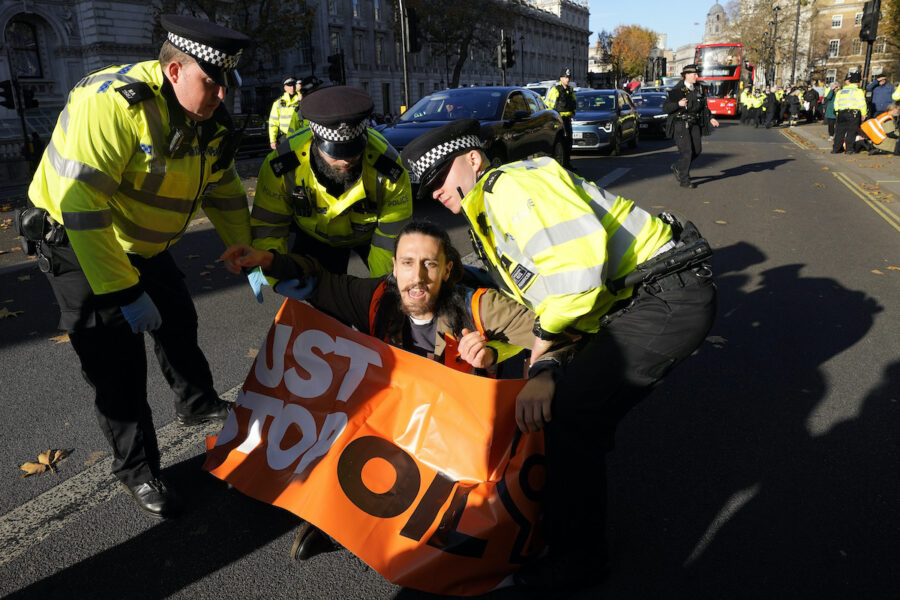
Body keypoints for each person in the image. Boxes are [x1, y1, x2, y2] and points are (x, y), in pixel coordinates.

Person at [401, 119, 718, 592]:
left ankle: (579, 563)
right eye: (428, 189)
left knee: (569, 414)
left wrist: (544, 358)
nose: (436, 193)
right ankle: (564, 520)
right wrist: (543, 360)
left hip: (667, 297)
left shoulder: (509, 188)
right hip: (638, 301)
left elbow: (577, 273)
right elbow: (547, 297)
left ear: (472, 158)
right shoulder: (488, 208)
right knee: (566, 416)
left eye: (440, 179)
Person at [221, 220, 575, 560]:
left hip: (461, 434)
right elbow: (319, 282)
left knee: (482, 520)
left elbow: (558, 334)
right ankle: (336, 519)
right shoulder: (377, 297)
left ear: (448, 270)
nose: (417, 277)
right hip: (399, 423)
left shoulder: (480, 307)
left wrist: (524, 366)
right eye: (407, 263)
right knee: (330, 399)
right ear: (394, 267)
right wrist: (267, 260)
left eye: (429, 264)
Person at [21, 14, 254, 518]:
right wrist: (124, 292)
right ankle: (138, 469)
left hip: (139, 242)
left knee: (179, 322)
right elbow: (84, 207)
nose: (221, 96)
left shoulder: (209, 117)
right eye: (211, 84)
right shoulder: (110, 105)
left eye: (225, 84)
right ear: (174, 73)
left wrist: (246, 253)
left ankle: (197, 405)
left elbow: (226, 190)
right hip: (77, 244)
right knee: (116, 364)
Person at [250, 85, 412, 278]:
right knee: (318, 297)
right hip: (315, 238)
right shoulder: (282, 166)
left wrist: (382, 287)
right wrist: (275, 273)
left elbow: (389, 240)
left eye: (354, 150)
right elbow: (270, 227)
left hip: (369, 237)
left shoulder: (389, 168)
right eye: (336, 152)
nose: (346, 160)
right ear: (313, 133)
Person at [663, 64, 720, 188]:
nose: (697, 76)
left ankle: (678, 167)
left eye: (696, 74)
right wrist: (678, 104)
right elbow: (666, 108)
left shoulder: (699, 88)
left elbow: (704, 107)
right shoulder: (677, 90)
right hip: (681, 123)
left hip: (694, 123)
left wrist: (711, 118)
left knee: (697, 150)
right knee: (687, 151)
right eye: (694, 74)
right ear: (686, 75)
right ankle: (684, 180)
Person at [544, 67, 577, 168]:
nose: (568, 79)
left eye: (569, 77)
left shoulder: (570, 90)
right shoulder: (555, 90)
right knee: (560, 142)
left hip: (567, 120)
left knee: (568, 142)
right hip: (559, 120)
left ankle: (567, 163)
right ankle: (561, 165)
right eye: (566, 77)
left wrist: (573, 113)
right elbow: (548, 105)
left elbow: (574, 103)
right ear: (561, 78)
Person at [832, 72, 868, 154]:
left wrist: (838, 112)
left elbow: (836, 103)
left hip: (841, 113)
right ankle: (849, 149)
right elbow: (862, 103)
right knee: (851, 132)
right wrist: (863, 113)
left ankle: (836, 149)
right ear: (858, 81)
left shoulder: (841, 91)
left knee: (839, 132)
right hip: (853, 113)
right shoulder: (858, 91)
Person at [268, 76, 302, 150]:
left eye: (293, 85)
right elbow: (273, 123)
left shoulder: (301, 100)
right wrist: (272, 140)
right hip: (284, 138)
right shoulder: (278, 103)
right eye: (289, 86)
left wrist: (300, 93)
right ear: (285, 88)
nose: (292, 88)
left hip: (300, 136)